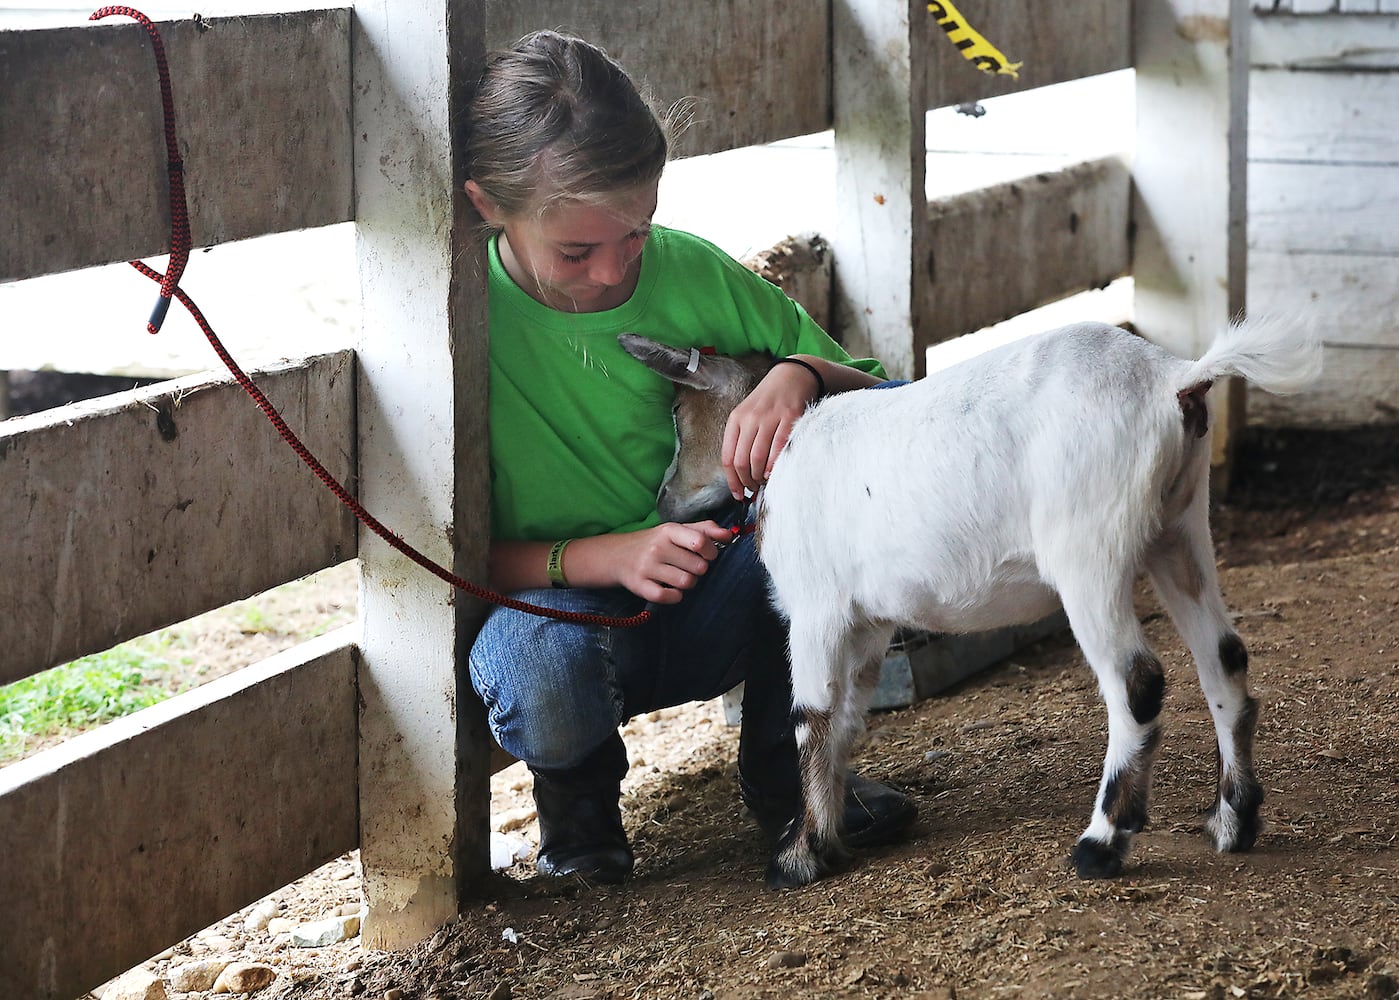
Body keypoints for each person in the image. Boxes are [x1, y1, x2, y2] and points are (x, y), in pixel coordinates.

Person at [463, 29, 916, 885]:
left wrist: (799, 374)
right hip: (554, 603)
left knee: (813, 536)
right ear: (487, 204)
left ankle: (796, 784)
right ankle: (582, 828)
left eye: (635, 232)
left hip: (717, 588)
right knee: (535, 666)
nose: (610, 270)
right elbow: (420, 553)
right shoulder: (452, 316)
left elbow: (882, 397)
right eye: (575, 251)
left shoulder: (689, 273)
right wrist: (597, 557)